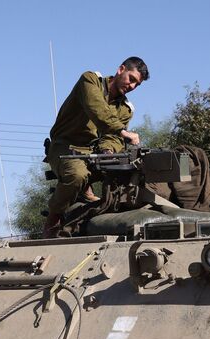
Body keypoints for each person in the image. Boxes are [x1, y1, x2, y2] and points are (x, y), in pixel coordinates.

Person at [43, 57, 149, 238]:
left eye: (137, 85)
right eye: (131, 79)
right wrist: (122, 131)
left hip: (94, 152)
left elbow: (112, 138)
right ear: (120, 69)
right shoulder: (90, 80)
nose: (132, 86)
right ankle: (53, 218)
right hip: (65, 145)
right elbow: (96, 108)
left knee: (125, 171)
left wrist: (108, 152)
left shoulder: (126, 109)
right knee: (77, 175)